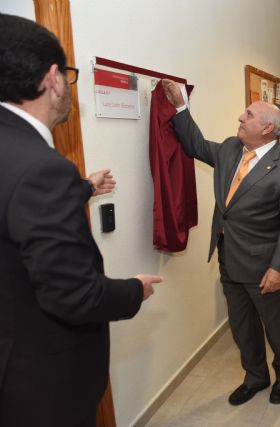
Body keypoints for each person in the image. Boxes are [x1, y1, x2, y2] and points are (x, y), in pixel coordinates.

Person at [0, 14, 162, 426]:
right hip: (38, 388)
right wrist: (133, 291)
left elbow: (13, 207)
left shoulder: (18, 157)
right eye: (70, 76)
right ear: (53, 78)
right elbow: (75, 296)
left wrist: (82, 188)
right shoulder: (42, 168)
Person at [162, 79, 280, 405]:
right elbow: (195, 145)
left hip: (266, 267)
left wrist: (278, 268)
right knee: (242, 327)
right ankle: (256, 376)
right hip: (230, 259)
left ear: (268, 128)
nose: (240, 119)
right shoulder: (230, 149)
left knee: (278, 328)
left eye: (248, 115)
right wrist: (180, 106)